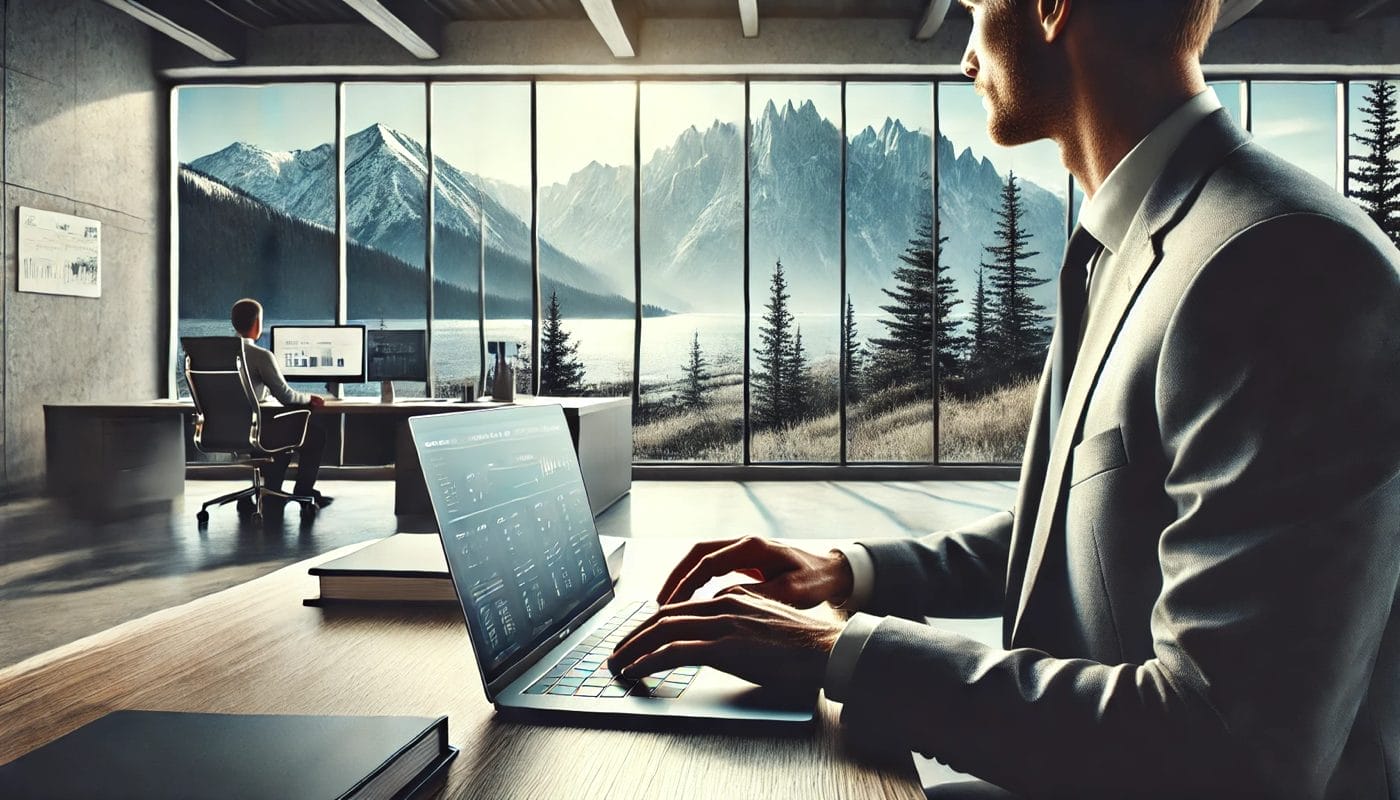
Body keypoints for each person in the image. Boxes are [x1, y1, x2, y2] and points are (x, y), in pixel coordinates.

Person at [609, 1, 1400, 797]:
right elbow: (1078, 525)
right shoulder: (1141, 242)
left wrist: (833, 653)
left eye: (976, 9)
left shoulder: (1282, 265)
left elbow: (1220, 744)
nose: (965, 55)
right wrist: (847, 573)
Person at [230, 298, 334, 510]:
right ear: (258, 323)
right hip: (257, 430)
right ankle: (303, 491)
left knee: (276, 434)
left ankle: (272, 492)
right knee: (315, 435)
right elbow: (286, 396)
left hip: (224, 431)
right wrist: (309, 399)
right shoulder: (260, 356)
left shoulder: (213, 354)